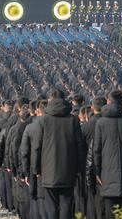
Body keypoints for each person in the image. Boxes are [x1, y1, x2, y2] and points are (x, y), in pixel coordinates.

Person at [33, 89, 85, 219]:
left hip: (48, 169)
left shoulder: (43, 120)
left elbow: (37, 147)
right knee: (67, 203)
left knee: (50, 205)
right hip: (68, 168)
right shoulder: (73, 120)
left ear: (50, 100)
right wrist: (79, 168)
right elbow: (80, 146)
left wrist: (36, 169)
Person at [91, 91, 122, 218]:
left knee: (110, 211)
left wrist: (97, 172)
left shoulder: (101, 123)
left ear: (108, 102)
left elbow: (96, 150)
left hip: (107, 174)